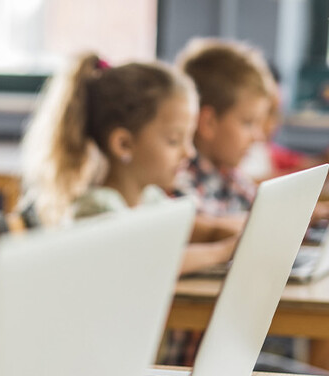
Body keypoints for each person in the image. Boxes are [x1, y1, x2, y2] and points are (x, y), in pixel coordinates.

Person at [20, 53, 239, 275]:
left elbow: (206, 230)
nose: (189, 152)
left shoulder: (151, 200)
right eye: (174, 140)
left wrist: (242, 232)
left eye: (189, 139)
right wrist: (223, 252)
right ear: (124, 144)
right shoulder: (97, 208)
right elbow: (147, 264)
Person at [173, 37, 276, 217]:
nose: (258, 136)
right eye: (248, 122)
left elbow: (266, 212)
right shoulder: (178, 180)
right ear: (208, 123)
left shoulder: (230, 175)